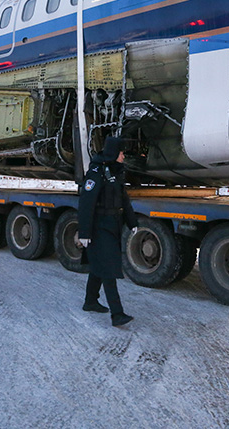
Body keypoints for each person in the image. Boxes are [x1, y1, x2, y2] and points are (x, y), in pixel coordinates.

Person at [78, 136, 139, 327]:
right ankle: (117, 314)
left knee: (99, 264)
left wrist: (132, 222)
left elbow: (124, 199)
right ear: (113, 153)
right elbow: (86, 204)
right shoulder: (96, 172)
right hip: (99, 226)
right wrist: (84, 233)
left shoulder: (115, 171)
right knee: (109, 268)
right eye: (121, 153)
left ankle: (90, 301)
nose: (123, 157)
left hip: (114, 223)